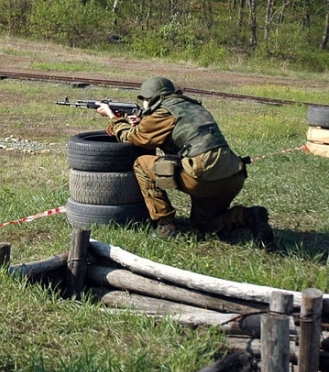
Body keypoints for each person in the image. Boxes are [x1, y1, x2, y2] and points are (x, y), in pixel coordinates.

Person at [95, 76, 274, 249]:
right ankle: (249, 216)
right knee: (204, 226)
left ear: (151, 98)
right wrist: (143, 121)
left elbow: (134, 137)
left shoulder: (164, 112)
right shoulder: (192, 106)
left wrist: (113, 118)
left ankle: (166, 225)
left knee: (141, 164)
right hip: (232, 176)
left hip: (201, 176)